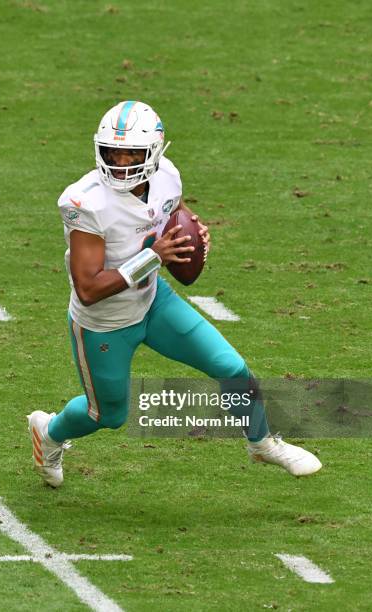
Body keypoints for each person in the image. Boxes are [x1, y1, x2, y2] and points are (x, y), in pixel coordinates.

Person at [27, 100, 322, 488]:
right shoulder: (86, 203)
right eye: (112, 151)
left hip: (153, 303)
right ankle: (49, 432)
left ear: (153, 152)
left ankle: (262, 442)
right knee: (108, 415)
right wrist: (154, 257)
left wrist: (191, 232)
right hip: (105, 325)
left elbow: (172, 211)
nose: (120, 160)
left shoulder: (166, 175)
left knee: (232, 369)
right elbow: (87, 289)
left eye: (131, 151)